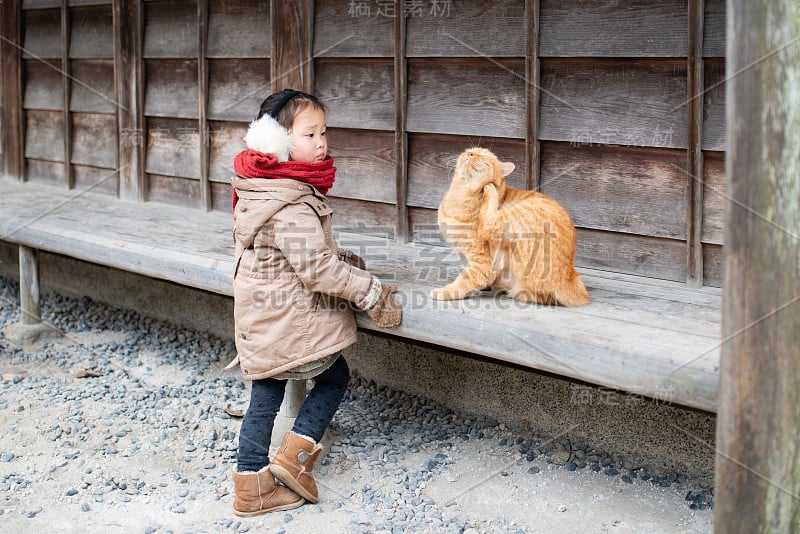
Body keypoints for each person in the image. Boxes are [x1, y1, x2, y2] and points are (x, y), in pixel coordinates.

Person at [227, 89, 402, 517]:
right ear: (278, 141)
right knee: (334, 377)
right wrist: (371, 291)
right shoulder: (291, 203)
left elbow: (297, 257)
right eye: (310, 134)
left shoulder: (260, 186)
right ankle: (290, 462)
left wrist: (346, 263)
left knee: (264, 394)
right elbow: (318, 270)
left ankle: (253, 481)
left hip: (265, 316)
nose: (322, 142)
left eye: (324, 132)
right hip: (289, 319)